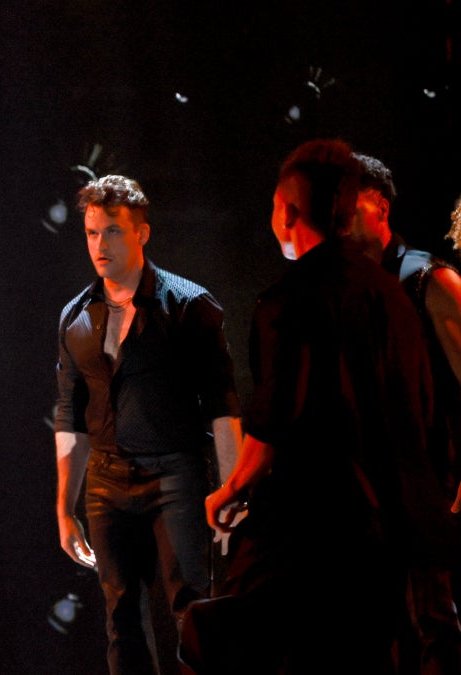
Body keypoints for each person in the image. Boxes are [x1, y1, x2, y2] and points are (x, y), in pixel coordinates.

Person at [180, 139, 458, 674]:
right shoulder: (391, 294)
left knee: (225, 640)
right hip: (392, 523)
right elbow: (418, 403)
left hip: (318, 524)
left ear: (287, 212)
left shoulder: (289, 301)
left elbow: (275, 418)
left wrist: (231, 488)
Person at [52, 174, 242, 675]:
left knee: (193, 612)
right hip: (106, 481)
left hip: (176, 475)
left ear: (142, 233)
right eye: (92, 233)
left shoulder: (189, 305)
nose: (100, 244)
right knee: (121, 620)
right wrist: (64, 507)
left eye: (113, 231)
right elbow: (69, 413)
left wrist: (232, 489)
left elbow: (222, 404)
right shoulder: (76, 315)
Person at [350, 153, 461, 674]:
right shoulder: (345, 286)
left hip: (431, 486)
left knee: (433, 625)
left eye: (350, 205)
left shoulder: (426, 278)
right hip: (369, 491)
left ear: (380, 206)